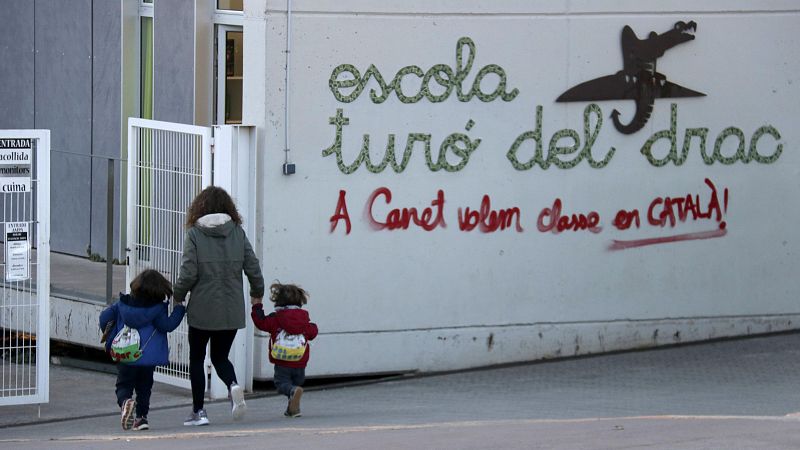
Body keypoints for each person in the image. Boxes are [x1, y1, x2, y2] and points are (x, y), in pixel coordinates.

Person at [173, 186, 265, 426]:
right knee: (220, 356)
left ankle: (199, 412)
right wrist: (257, 294)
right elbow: (253, 268)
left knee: (196, 358)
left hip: (202, 309)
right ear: (228, 207)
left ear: (199, 207)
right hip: (231, 307)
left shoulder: (194, 234)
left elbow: (188, 272)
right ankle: (233, 385)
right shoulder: (237, 232)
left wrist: (178, 295)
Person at [99, 269, 186, 431]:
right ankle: (141, 418)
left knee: (124, 385)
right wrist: (179, 309)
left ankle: (125, 402)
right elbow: (167, 325)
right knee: (144, 387)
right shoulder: (158, 309)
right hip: (147, 358)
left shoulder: (122, 304)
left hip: (125, 354)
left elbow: (104, 318)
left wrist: (110, 331)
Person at [251, 282, 318, 417]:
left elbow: (261, 322)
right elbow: (313, 332)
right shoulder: (304, 320)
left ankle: (293, 393)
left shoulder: (275, 319)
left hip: (282, 361)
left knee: (282, 384)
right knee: (294, 385)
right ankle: (293, 409)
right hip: (300, 361)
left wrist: (257, 305)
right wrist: (312, 327)